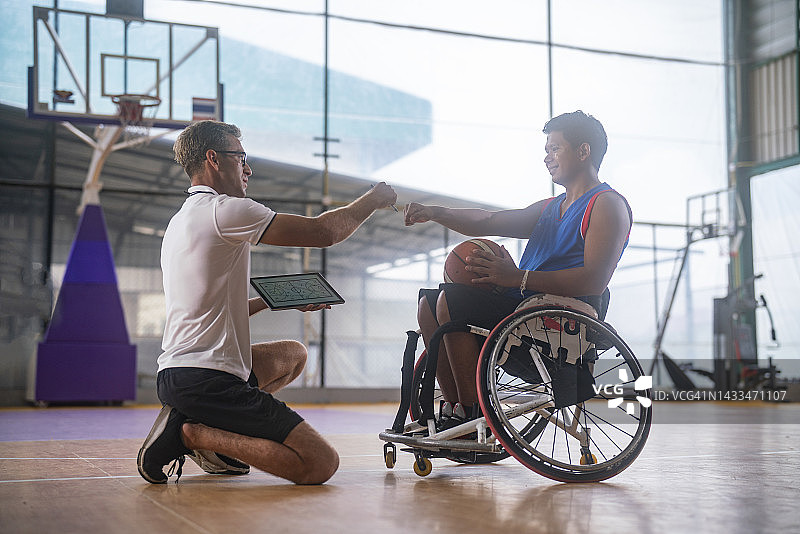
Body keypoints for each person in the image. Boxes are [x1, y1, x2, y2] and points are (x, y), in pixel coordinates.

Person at [137, 120, 397, 485]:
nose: (248, 168)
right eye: (240, 157)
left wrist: (270, 300)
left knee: (293, 355)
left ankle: (205, 431)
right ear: (213, 159)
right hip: (208, 379)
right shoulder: (225, 210)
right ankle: (190, 434)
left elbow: (211, 307)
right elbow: (323, 233)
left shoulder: (182, 221)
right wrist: (375, 199)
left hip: (179, 374)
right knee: (319, 464)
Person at [403, 110, 632, 423]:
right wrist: (435, 211)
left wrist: (516, 277)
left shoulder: (607, 204)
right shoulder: (552, 207)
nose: (547, 158)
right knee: (428, 304)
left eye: (555, 148)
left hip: (559, 321)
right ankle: (455, 409)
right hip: (523, 309)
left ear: (583, 151)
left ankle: (473, 415)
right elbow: (489, 220)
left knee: (450, 301)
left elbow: (593, 281)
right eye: (546, 150)